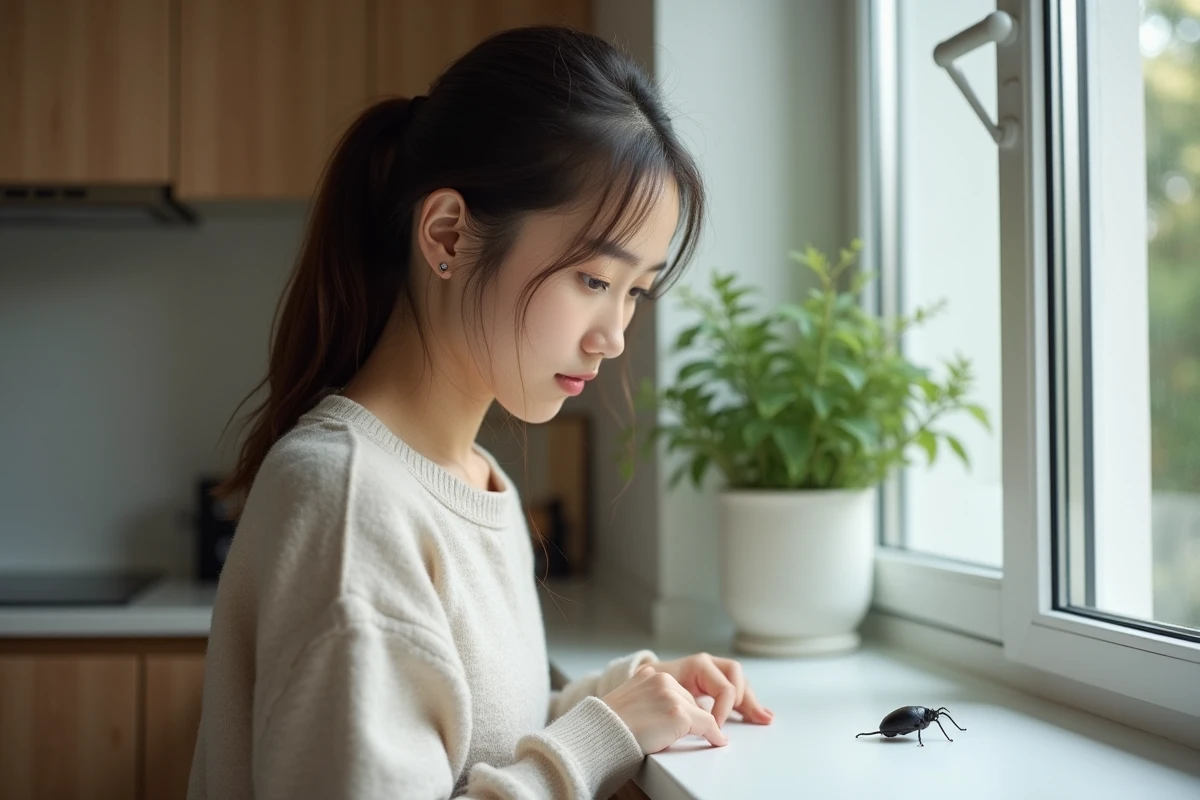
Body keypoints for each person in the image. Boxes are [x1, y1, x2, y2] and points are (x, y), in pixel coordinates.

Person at [187, 24, 773, 800]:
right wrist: (605, 737)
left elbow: (472, 748)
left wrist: (628, 698)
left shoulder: (474, 479)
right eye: (595, 279)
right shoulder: (351, 499)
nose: (615, 336)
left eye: (637, 291)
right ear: (448, 236)